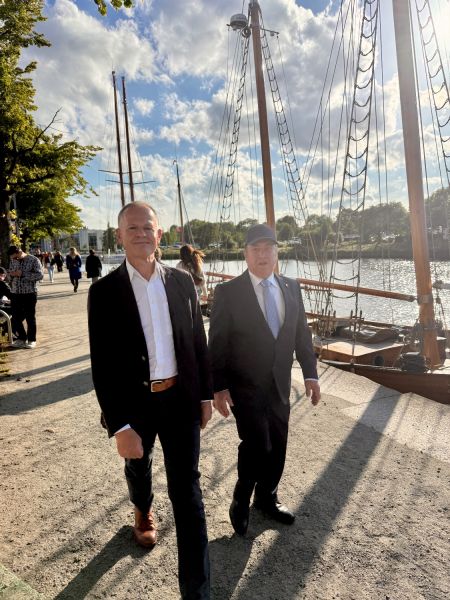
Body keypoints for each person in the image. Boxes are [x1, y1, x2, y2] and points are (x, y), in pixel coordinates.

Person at [88, 201, 212, 600]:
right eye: (133, 228)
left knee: (187, 492)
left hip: (180, 400)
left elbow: (197, 343)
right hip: (134, 404)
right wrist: (120, 425)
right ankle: (142, 509)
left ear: (159, 235)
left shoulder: (182, 282)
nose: (141, 233)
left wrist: (205, 395)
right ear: (120, 235)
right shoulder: (103, 292)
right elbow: (102, 364)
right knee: (138, 468)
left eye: (148, 227)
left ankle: (197, 592)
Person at [208, 223, 321, 536]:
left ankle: (267, 498)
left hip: (280, 384)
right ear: (245, 254)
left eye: (268, 248)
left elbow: (301, 335)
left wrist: (311, 374)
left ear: (276, 252)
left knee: (279, 442)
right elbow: (216, 344)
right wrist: (218, 387)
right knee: (258, 443)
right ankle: (241, 498)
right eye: (255, 249)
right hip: (244, 386)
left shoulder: (291, 287)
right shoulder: (229, 292)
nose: (262, 255)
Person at [7, 245, 44, 349]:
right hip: (15, 292)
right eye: (13, 258)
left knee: (30, 317)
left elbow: (40, 275)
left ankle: (32, 340)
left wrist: (23, 274)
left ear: (19, 252)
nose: (14, 259)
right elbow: (10, 275)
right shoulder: (13, 260)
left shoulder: (33, 260)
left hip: (29, 293)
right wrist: (11, 274)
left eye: (15, 257)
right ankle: (21, 339)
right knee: (15, 317)